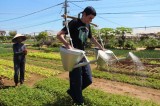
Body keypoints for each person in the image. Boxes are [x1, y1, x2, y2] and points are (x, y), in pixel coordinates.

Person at [57, 6, 104, 105]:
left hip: (82, 55)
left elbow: (92, 38)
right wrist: (68, 46)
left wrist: (101, 47)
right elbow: (59, 35)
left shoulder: (88, 25)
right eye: (90, 18)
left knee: (88, 79)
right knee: (77, 80)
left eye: (92, 19)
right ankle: (79, 101)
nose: (90, 20)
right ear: (84, 14)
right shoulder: (74, 23)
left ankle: (73, 92)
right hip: (73, 55)